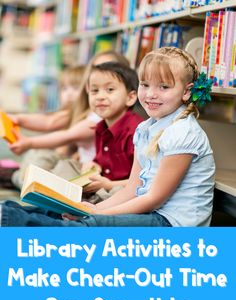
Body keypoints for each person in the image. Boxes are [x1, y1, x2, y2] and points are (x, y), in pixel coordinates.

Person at [0, 47, 215, 227]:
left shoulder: (183, 132)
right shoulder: (146, 129)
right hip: (150, 208)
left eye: (164, 87)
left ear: (186, 92)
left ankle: (9, 221)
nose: (150, 94)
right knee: (62, 212)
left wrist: (97, 214)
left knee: (91, 225)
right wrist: (90, 209)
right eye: (145, 85)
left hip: (172, 223)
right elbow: (133, 188)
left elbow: (154, 198)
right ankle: (8, 213)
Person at [8, 51, 131, 188]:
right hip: (83, 166)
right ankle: (22, 178)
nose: (101, 74)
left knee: (48, 163)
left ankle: (22, 180)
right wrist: (17, 118)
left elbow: (68, 135)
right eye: (96, 69)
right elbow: (49, 121)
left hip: (92, 172)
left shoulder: (104, 117)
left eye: (109, 69)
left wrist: (29, 142)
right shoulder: (88, 108)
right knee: (39, 155)